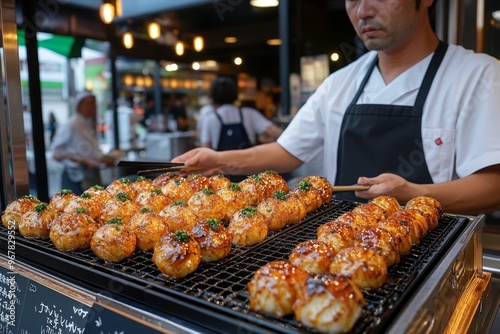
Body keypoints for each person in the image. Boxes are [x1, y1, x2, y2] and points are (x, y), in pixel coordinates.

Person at [173, 0, 500, 215]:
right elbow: (287, 151)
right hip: (341, 255)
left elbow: (493, 186)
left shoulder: (477, 75)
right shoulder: (341, 82)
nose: (363, 11)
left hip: (430, 264)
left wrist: (413, 193)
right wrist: (219, 160)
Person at [50, 91, 115, 195]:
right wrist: (82, 160)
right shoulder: (70, 125)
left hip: (92, 174)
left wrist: (105, 159)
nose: (90, 107)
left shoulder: (90, 123)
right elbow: (55, 153)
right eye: (87, 104)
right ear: (78, 106)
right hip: (75, 177)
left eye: (92, 103)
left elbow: (93, 150)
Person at [199, 76, 283, 151]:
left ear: (213, 96)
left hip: (220, 167)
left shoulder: (210, 118)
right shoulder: (249, 113)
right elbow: (277, 133)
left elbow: (205, 151)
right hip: (249, 166)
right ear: (235, 93)